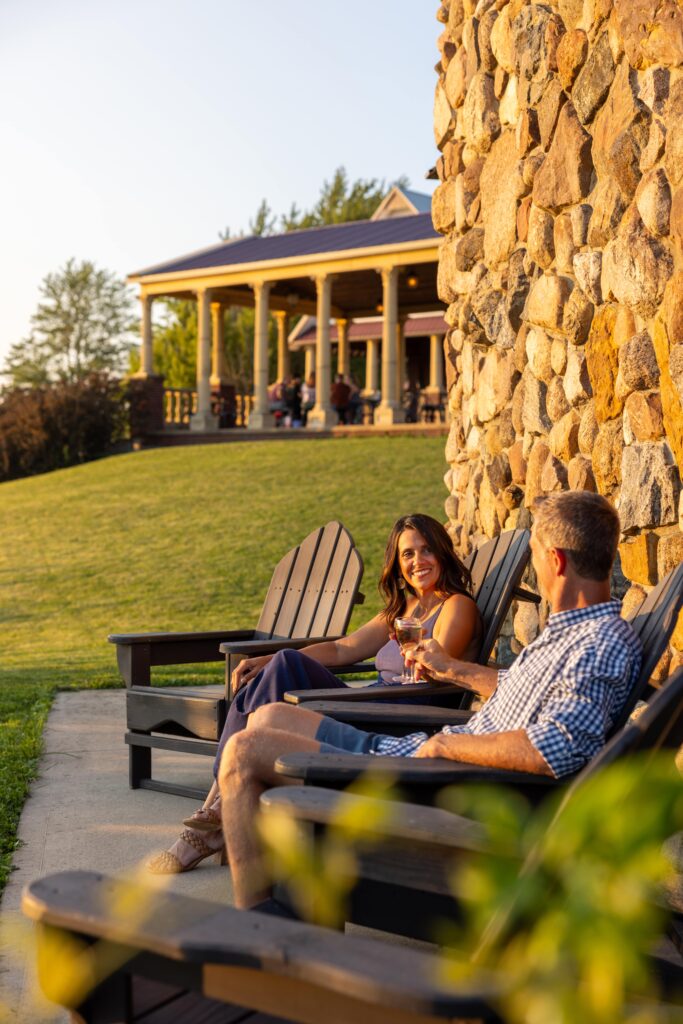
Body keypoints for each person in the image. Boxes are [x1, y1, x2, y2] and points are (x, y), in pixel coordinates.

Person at [206, 491, 642, 909]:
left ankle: (258, 928)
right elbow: (517, 690)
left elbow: (557, 748)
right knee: (266, 715)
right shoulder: (566, 635)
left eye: (535, 554)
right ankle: (266, 879)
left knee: (244, 752)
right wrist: (458, 673)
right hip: (420, 756)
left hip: (435, 783)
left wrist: (444, 745)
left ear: (556, 560)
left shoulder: (598, 642)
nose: (536, 572)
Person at [148, 513, 482, 874]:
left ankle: (211, 816)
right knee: (281, 667)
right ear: (397, 564)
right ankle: (219, 803)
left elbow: (433, 670)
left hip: (397, 716)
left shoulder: (456, 605)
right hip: (372, 702)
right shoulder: (402, 610)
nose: (418, 561)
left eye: (426, 550)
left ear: (442, 553)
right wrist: (269, 659)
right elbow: (342, 650)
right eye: (408, 554)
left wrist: (415, 654)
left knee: (284, 667)